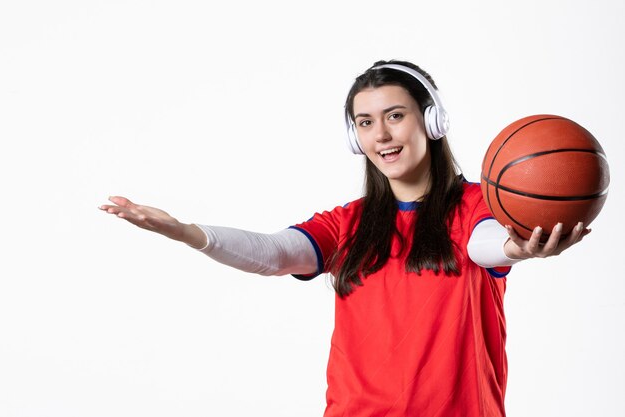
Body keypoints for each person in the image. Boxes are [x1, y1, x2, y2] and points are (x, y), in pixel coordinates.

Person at [99, 60, 589, 417]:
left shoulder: (480, 207)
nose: (381, 135)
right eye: (365, 122)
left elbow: (484, 244)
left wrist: (515, 248)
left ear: (432, 120)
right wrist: (187, 232)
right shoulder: (347, 224)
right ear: (355, 137)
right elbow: (273, 253)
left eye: (395, 115)